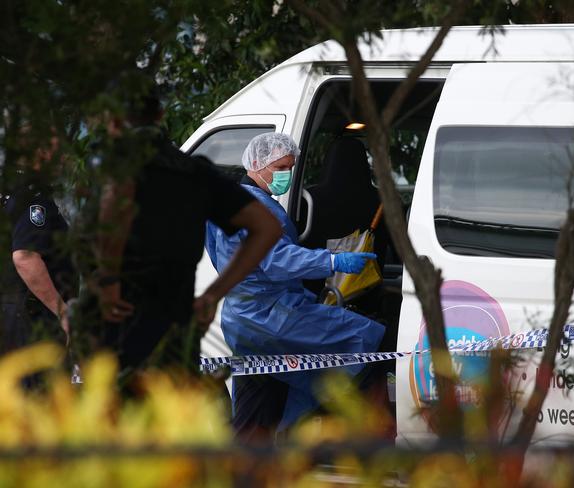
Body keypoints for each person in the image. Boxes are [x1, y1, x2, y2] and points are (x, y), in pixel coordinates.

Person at [79, 90, 282, 382]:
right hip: (176, 332)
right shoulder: (194, 173)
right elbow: (267, 227)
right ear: (160, 115)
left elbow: (115, 204)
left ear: (111, 122)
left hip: (116, 326)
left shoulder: (118, 167)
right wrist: (214, 295)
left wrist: (108, 279)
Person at [205, 132, 386, 442]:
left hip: (250, 317)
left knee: (261, 401)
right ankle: (367, 440)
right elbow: (277, 260)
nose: (287, 174)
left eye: (291, 166)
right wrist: (332, 262)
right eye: (281, 167)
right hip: (270, 318)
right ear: (258, 164)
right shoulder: (254, 209)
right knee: (365, 343)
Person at [0, 130, 75, 368]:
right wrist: (62, 311)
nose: (64, 159)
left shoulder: (10, 194)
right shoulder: (35, 199)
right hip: (33, 321)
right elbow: (25, 257)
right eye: (57, 152)